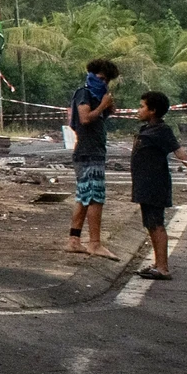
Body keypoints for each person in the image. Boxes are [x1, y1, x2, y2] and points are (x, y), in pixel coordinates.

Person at [132, 90, 187, 280]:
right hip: (144, 185)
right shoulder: (147, 129)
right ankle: (157, 263)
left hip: (155, 184)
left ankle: (163, 267)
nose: (138, 110)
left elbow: (180, 152)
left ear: (153, 110)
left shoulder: (162, 131)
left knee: (156, 224)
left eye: (142, 106)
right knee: (150, 224)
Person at [66, 58, 121, 257]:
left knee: (84, 197)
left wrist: (106, 110)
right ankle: (95, 243)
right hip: (88, 152)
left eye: (107, 81)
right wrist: (101, 106)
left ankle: (74, 239)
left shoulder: (95, 95)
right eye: (101, 78)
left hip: (93, 150)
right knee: (95, 197)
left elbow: (94, 120)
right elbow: (85, 118)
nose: (104, 84)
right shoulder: (85, 93)